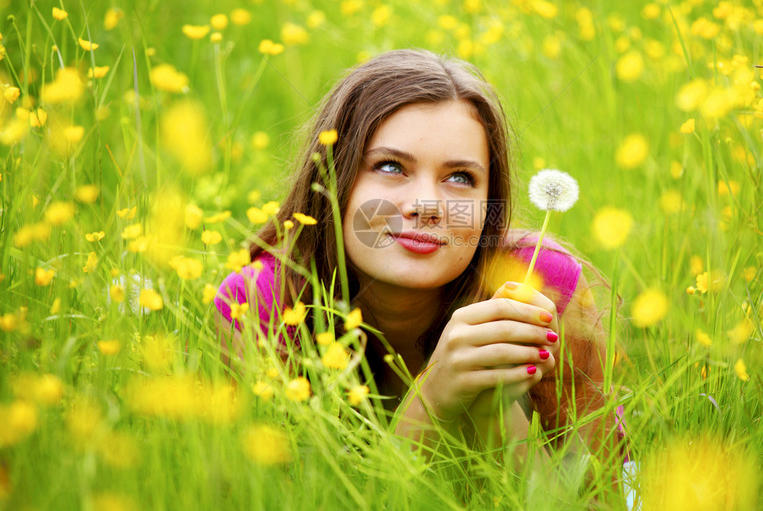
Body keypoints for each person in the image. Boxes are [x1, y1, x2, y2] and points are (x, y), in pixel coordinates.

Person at [215, 49, 623, 469]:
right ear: (333, 180)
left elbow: (612, 494)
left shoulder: (540, 286)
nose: (427, 205)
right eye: (391, 167)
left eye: (460, 178)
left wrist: (494, 409)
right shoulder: (261, 301)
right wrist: (433, 397)